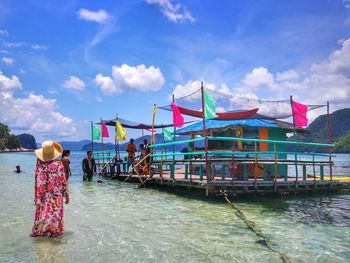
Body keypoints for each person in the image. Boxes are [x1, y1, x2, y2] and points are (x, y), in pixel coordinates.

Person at [31, 140, 69, 237]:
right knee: (54, 214)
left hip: (42, 194)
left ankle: (40, 231)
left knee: (42, 213)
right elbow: (63, 181)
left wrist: (36, 196)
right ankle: (53, 232)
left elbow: (37, 180)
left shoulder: (39, 165)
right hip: (56, 196)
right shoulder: (59, 164)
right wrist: (67, 195)